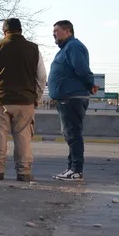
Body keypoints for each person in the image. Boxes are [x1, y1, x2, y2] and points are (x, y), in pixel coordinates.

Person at [0, 18, 47, 181]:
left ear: (4, 32)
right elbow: (42, 77)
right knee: (23, 137)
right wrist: (35, 97)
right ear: (21, 31)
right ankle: (23, 172)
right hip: (25, 102)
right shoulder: (33, 49)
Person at [48, 20, 97, 181]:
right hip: (67, 98)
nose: (53, 34)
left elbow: (81, 68)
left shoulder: (73, 46)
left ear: (68, 31)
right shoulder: (67, 48)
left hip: (72, 98)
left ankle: (76, 170)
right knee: (70, 134)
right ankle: (71, 169)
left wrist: (90, 83)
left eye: (56, 30)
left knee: (73, 134)